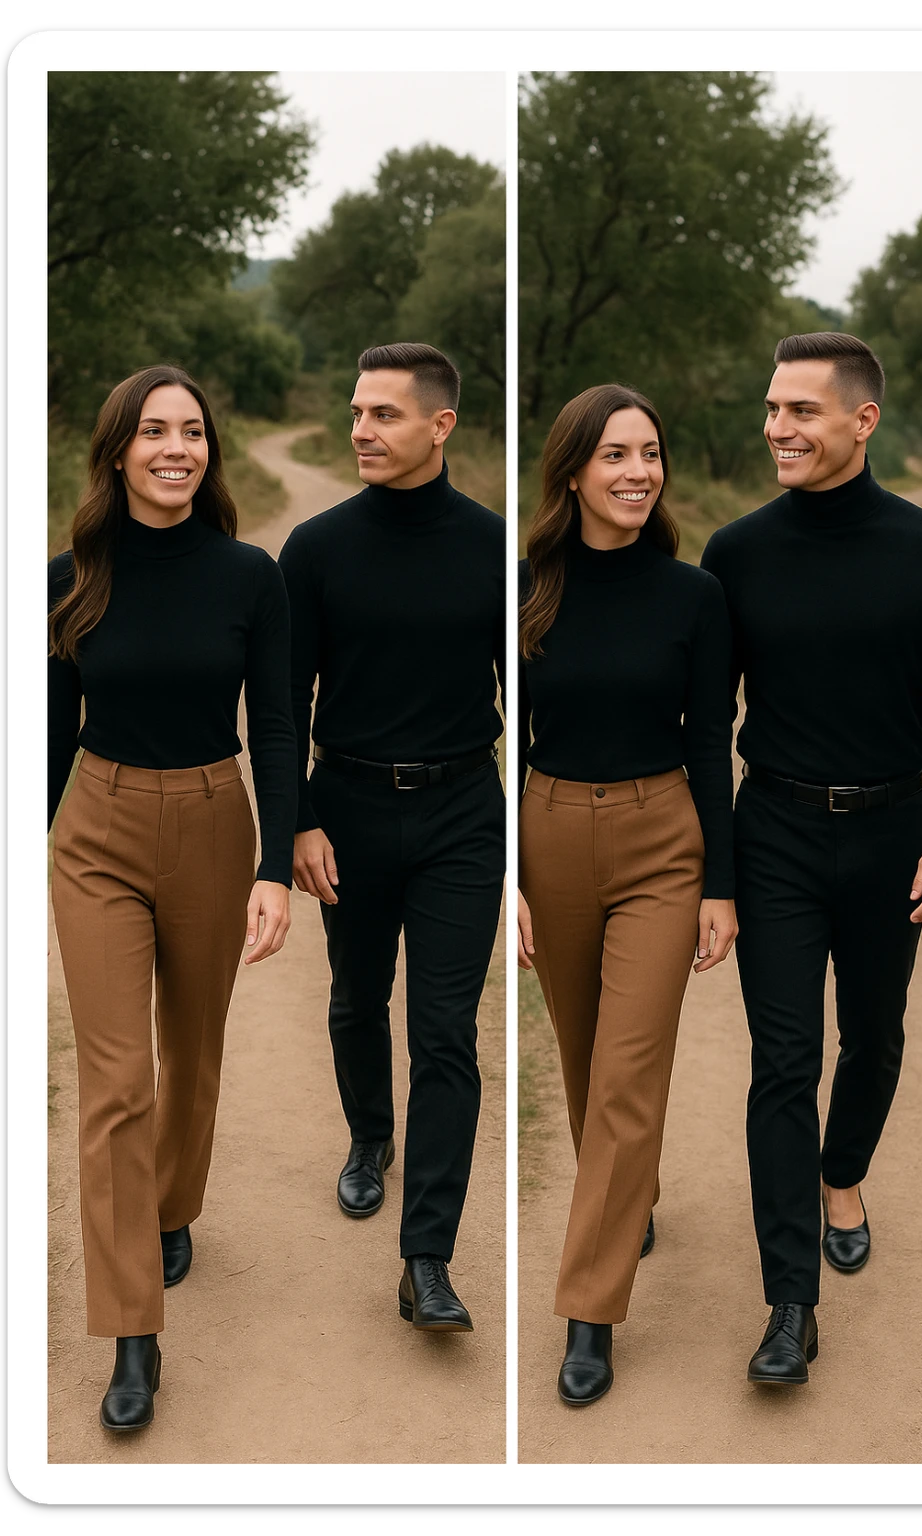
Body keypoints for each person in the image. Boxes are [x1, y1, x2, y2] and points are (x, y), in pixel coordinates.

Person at [700, 332, 922, 1385]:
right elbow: (701, 719)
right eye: (771, 409)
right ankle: (788, 1307)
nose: (777, 428)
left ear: (860, 421)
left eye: (801, 411)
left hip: (890, 836)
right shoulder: (735, 552)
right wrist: (716, 871)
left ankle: (844, 1174)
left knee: (875, 1037)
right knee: (783, 1062)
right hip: (770, 829)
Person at [48, 364, 296, 1431]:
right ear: (116, 452)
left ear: (210, 451)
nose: (175, 449)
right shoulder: (69, 575)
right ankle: (132, 1333)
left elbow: (280, 725)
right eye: (153, 432)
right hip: (94, 828)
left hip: (210, 819)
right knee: (114, 1082)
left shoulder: (250, 577)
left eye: (192, 432)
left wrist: (275, 866)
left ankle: (174, 1205)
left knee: (191, 1051)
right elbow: (47, 732)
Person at [277, 342, 505, 1332]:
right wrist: (295, 820)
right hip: (353, 806)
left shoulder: (495, 548)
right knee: (356, 995)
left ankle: (427, 1259)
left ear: (440, 426)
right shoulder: (317, 550)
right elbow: (281, 704)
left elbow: (531, 702)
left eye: (384, 415)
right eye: (357, 411)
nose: (361, 429)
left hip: (463, 811)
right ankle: (370, 1136)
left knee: (446, 1030)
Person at [517, 384, 738, 1404]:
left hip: (662, 841)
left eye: (649, 453)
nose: (637, 472)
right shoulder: (523, 589)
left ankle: (589, 1310)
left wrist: (717, 887)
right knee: (578, 1053)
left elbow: (708, 746)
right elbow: (503, 749)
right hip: (551, 833)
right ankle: (625, 1198)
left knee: (627, 1072)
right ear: (572, 471)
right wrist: (510, 877)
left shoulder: (692, 597)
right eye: (614, 455)